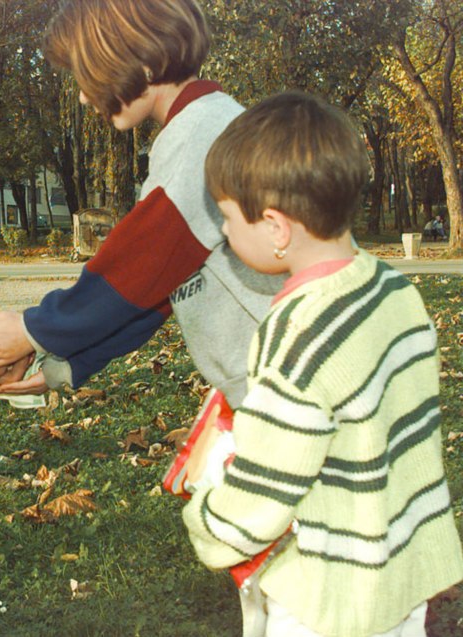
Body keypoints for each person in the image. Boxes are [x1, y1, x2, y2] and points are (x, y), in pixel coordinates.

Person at [182, 91, 463, 637]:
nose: (222, 232)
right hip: (401, 574)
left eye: (227, 217)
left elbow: (265, 495)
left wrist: (208, 514)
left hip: (330, 598)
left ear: (275, 227)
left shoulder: (296, 333)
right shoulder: (394, 291)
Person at [0, 0, 281, 421]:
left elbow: (133, 269)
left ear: (144, 60)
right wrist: (69, 364)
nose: (83, 95)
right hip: (275, 385)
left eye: (87, 75)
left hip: (299, 382)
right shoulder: (198, 128)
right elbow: (160, 289)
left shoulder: (200, 136)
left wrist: (31, 329)